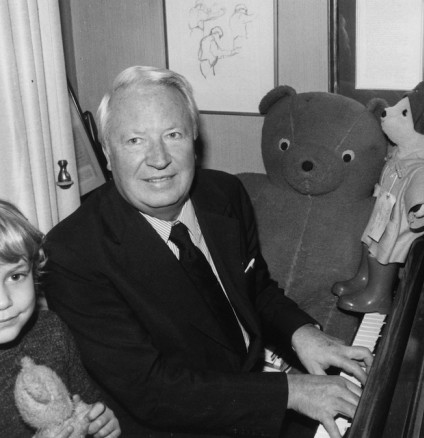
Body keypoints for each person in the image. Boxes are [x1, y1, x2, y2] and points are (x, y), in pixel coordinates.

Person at [42, 65, 373, 438]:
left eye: (173, 134)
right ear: (106, 153)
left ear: (194, 141)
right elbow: (152, 391)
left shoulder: (225, 194)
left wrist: (299, 332)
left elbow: (254, 287)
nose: (159, 158)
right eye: (134, 140)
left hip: (255, 392)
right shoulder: (72, 254)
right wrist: (290, 391)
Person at [0, 200, 121, 438]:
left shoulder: (51, 331)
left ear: (34, 272)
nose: (3, 301)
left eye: (15, 276)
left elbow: (86, 401)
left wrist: (100, 423)